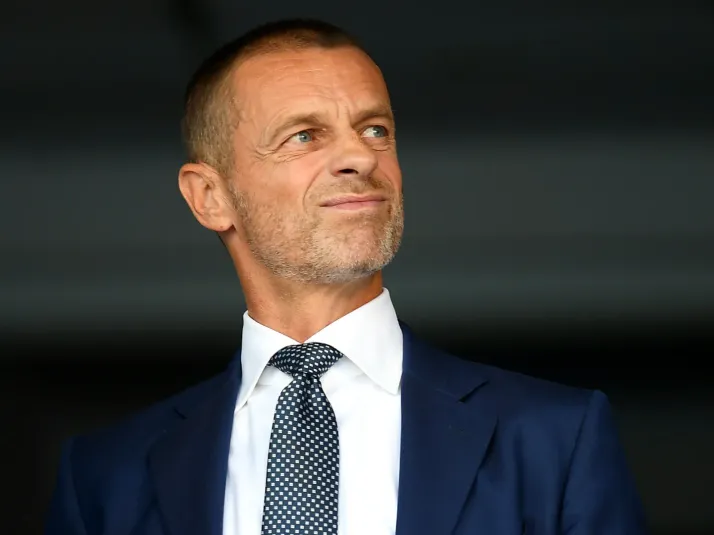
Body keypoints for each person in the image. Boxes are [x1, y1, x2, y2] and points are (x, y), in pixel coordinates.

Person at [45, 18, 648, 535]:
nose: (361, 156)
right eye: (304, 136)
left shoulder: (554, 440)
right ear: (210, 197)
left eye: (375, 129)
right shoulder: (106, 477)